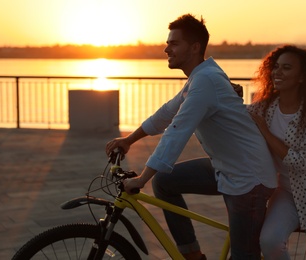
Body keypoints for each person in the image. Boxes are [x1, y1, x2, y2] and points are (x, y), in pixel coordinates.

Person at [105, 14, 277, 260]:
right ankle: (193, 255)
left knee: (244, 256)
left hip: (249, 178)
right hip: (226, 167)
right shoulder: (200, 77)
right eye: (168, 43)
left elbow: (178, 130)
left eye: (174, 43)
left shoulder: (206, 80)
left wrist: (142, 178)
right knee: (164, 182)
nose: (166, 48)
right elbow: (166, 114)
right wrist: (128, 140)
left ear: (195, 47)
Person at [247, 44, 306, 259]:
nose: (277, 72)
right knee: (270, 242)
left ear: (302, 77)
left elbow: (302, 162)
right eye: (276, 67)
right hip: (286, 193)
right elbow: (237, 117)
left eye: (287, 68)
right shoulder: (263, 107)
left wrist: (264, 131)